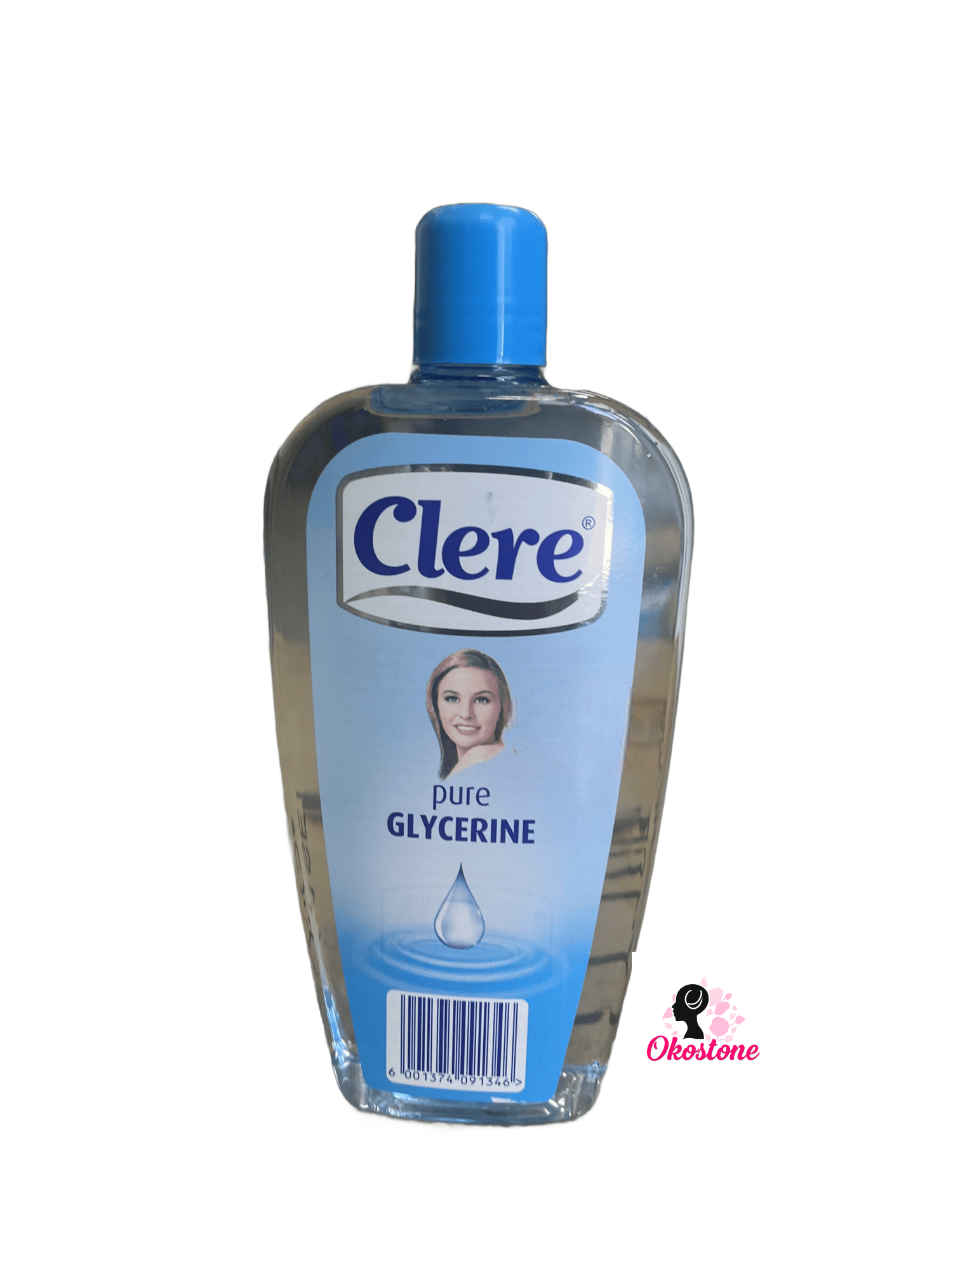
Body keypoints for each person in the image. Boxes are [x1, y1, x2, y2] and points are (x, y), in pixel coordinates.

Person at [426, 650, 513, 779]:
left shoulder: (480, 756)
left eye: (481, 700)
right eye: (452, 699)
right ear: (436, 705)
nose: (466, 714)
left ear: (502, 707)